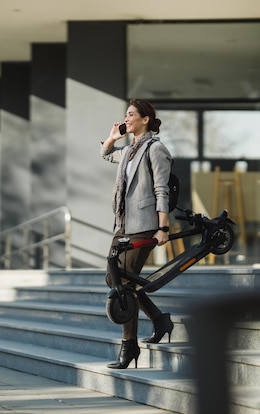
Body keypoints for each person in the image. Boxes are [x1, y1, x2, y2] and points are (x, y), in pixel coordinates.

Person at [100, 99, 175, 369]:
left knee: (125, 286)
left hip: (143, 223)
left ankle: (129, 347)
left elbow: (161, 189)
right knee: (115, 279)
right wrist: (111, 138)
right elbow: (107, 154)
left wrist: (163, 226)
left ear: (146, 119)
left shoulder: (155, 149)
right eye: (125, 114)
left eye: (131, 114)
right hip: (122, 224)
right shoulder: (130, 149)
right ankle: (159, 320)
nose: (126, 118)